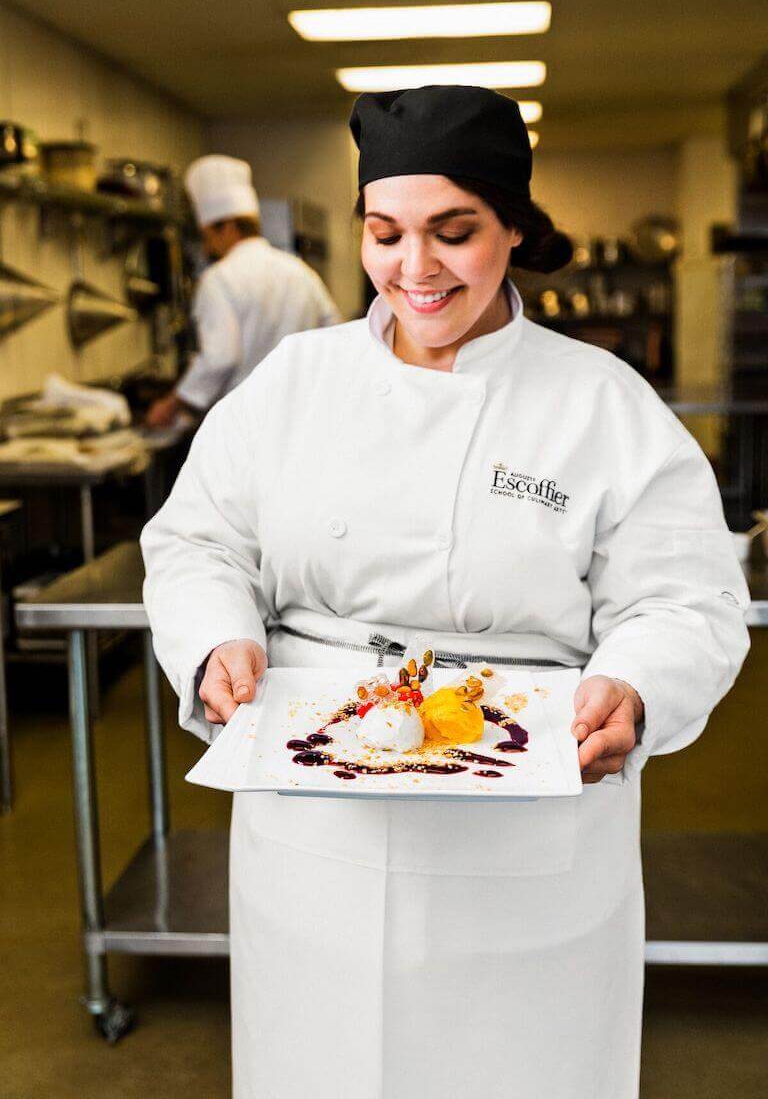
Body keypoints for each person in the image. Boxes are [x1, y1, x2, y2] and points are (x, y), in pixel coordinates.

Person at [141, 87, 750, 1099]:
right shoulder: (298, 383)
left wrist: (637, 685)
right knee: (320, 1065)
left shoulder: (599, 402)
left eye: (454, 232)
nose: (414, 270)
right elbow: (200, 541)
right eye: (385, 234)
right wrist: (217, 642)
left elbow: (685, 597)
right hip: (313, 816)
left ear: (514, 225)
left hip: (530, 827)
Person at [146, 154, 340, 427]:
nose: (206, 248)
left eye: (207, 236)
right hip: (301, 417)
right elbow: (333, 329)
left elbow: (221, 357)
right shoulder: (299, 270)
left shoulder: (218, 279)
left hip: (247, 422)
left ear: (227, 228)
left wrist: (173, 402)